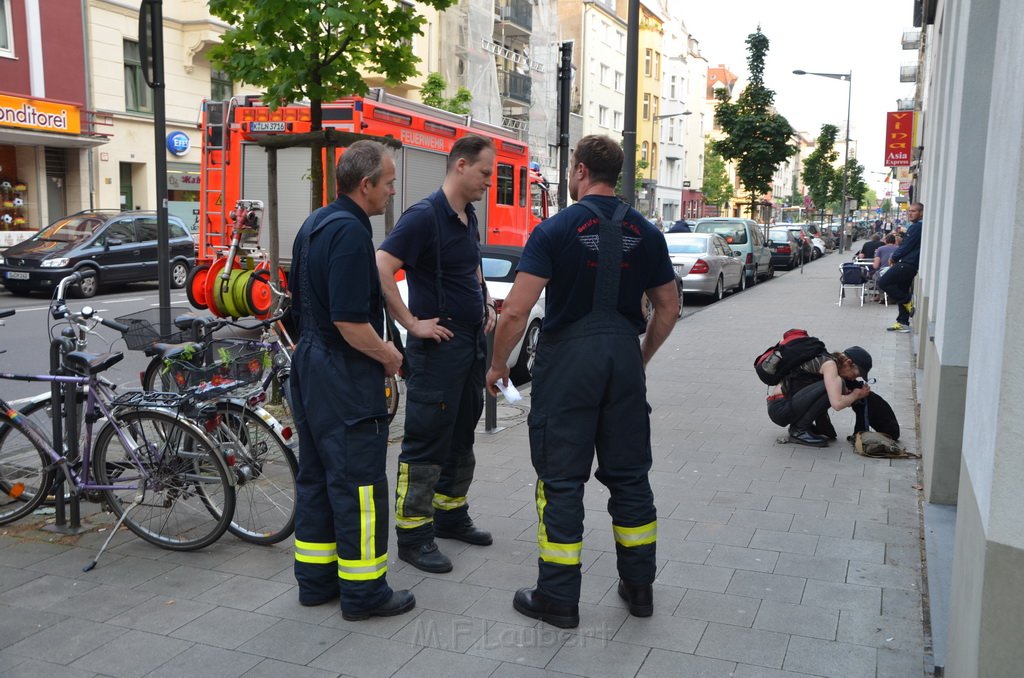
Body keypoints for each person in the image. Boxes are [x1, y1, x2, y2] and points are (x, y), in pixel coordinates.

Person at [485, 135, 679, 628]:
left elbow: (515, 310)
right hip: (621, 359)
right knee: (631, 476)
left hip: (568, 362)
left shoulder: (555, 230)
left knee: (562, 480)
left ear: (580, 171)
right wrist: (641, 357)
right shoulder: (647, 232)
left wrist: (499, 364)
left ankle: (557, 597)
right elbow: (668, 305)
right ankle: (639, 590)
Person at [289, 140, 414, 621]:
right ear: (365, 185)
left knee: (318, 477)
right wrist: (388, 355)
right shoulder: (348, 233)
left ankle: (316, 583)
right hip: (343, 374)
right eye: (388, 183)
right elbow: (349, 320)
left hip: (312, 366)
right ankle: (365, 593)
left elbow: (301, 308)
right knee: (360, 484)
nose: (391, 191)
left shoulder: (315, 223)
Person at [376, 134, 498, 574]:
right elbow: (383, 265)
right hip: (437, 349)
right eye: (485, 172)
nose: (490, 180)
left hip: (469, 344)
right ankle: (413, 535)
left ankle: (450, 515)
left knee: (462, 430)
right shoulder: (424, 216)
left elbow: (473, 264)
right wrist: (411, 324)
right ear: (461, 166)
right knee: (426, 441)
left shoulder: (468, 216)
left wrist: (484, 300)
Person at [766, 346, 873, 447]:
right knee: (832, 387)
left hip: (782, 405)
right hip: (780, 408)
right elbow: (837, 404)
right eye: (855, 375)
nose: (853, 379)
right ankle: (799, 430)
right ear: (848, 362)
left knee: (833, 387)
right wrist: (856, 394)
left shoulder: (829, 360)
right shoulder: (830, 366)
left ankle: (802, 426)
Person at [878, 202, 923, 333]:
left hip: (907, 263)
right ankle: (903, 322)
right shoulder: (918, 226)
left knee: (884, 282)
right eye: (910, 211)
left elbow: (906, 246)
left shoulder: (916, 227)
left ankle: (907, 300)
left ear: (921, 213)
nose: (910, 213)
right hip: (912, 263)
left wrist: (894, 257)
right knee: (902, 288)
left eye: (914, 211)